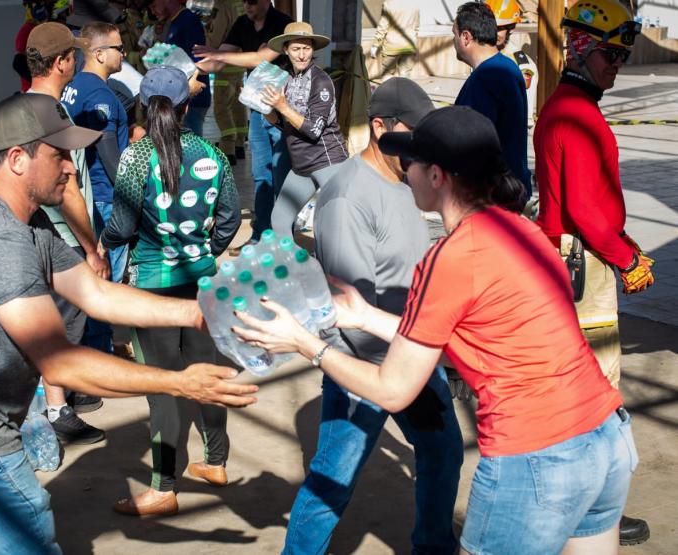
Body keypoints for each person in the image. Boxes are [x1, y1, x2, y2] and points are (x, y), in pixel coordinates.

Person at [0, 93, 258, 554]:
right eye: (59, 156)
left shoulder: (28, 224)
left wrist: (195, 312)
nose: (72, 169)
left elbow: (96, 294)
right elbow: (62, 365)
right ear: (17, 159)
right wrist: (179, 382)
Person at [235, 106, 637, 555]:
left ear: (438, 176)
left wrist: (304, 343)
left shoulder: (451, 258)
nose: (405, 171)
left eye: (413, 163)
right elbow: (478, 345)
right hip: (607, 439)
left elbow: (392, 390)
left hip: (537, 456)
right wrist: (365, 315)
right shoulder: (524, 232)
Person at [283, 78, 463, 554]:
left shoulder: (407, 176)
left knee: (444, 454)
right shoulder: (346, 196)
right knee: (332, 482)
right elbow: (351, 306)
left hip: (412, 349)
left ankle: (434, 547)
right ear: (379, 127)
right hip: (362, 365)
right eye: (414, 133)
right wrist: (401, 380)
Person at [534, 0, 650, 545]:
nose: (617, 64)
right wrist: (626, 259)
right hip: (586, 266)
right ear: (581, 47)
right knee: (597, 388)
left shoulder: (565, 105)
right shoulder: (576, 114)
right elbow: (586, 208)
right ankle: (593, 512)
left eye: (623, 55)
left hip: (571, 258)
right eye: (610, 53)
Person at [101, 66, 241, 517]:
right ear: (186, 107)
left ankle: (163, 488)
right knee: (209, 373)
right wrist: (207, 251)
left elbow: (121, 225)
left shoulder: (136, 157)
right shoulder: (213, 155)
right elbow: (230, 219)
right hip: (201, 283)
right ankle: (215, 461)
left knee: (162, 388)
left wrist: (105, 247)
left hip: (153, 291)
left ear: (144, 105)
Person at [26, 21, 108, 444]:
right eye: (73, 54)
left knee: (55, 315)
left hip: (39, 229)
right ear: (62, 62)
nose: (78, 59)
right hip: (58, 232)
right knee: (66, 316)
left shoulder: (26, 105)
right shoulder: (50, 113)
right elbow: (69, 189)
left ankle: (60, 396)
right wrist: (92, 248)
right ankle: (56, 407)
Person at [193, 0, 293, 247]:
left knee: (281, 174)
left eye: (252, 0)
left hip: (283, 108)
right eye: (244, 1)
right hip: (258, 107)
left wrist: (221, 54)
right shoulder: (242, 23)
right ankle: (260, 233)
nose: (247, 5)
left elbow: (260, 58)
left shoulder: (282, 24)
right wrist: (187, 70)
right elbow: (216, 62)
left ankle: (283, 236)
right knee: (261, 174)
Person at [64, 22, 130, 356]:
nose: (124, 54)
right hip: (104, 197)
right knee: (106, 280)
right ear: (100, 53)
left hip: (86, 193)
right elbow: (109, 156)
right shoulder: (101, 95)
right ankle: (101, 352)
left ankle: (97, 346)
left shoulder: (74, 86)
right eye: (119, 48)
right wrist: (132, 194)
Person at [261, 22, 347, 240]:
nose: (301, 55)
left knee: (330, 227)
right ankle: (291, 269)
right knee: (280, 220)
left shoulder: (321, 82)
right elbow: (285, 124)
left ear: (313, 50)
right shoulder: (285, 78)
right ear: (286, 50)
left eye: (306, 48)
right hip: (301, 165)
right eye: (296, 49)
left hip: (329, 162)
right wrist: (266, 109)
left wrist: (282, 107)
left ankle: (330, 272)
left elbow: (313, 130)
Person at [452, 1, 530, 200]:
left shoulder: (487, 78)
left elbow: (472, 143)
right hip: (509, 187)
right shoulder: (506, 67)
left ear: (466, 37)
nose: (453, 41)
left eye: (454, 34)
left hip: (492, 195)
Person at [148, 0, 211, 134]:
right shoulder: (174, 22)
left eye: (154, 5)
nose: (152, 12)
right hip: (181, 98)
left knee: (192, 148)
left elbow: (199, 60)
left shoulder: (188, 21)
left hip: (192, 99)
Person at [484, 0, 539, 127]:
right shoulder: (481, 53)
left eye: (498, 28)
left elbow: (523, 119)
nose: (491, 33)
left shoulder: (523, 66)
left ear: (511, 28)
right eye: (487, 26)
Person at [206, 0, 248, 165]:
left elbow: (216, 36)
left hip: (224, 64)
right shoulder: (242, 4)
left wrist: (206, 40)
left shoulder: (223, 5)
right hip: (239, 63)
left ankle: (228, 150)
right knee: (238, 106)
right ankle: (239, 146)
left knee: (222, 107)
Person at [370, 0, 420, 78]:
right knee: (405, 76)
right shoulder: (414, 3)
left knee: (387, 76)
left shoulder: (388, 4)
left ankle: (388, 90)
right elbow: (416, 26)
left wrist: (375, 44)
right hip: (409, 45)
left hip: (391, 46)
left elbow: (383, 26)